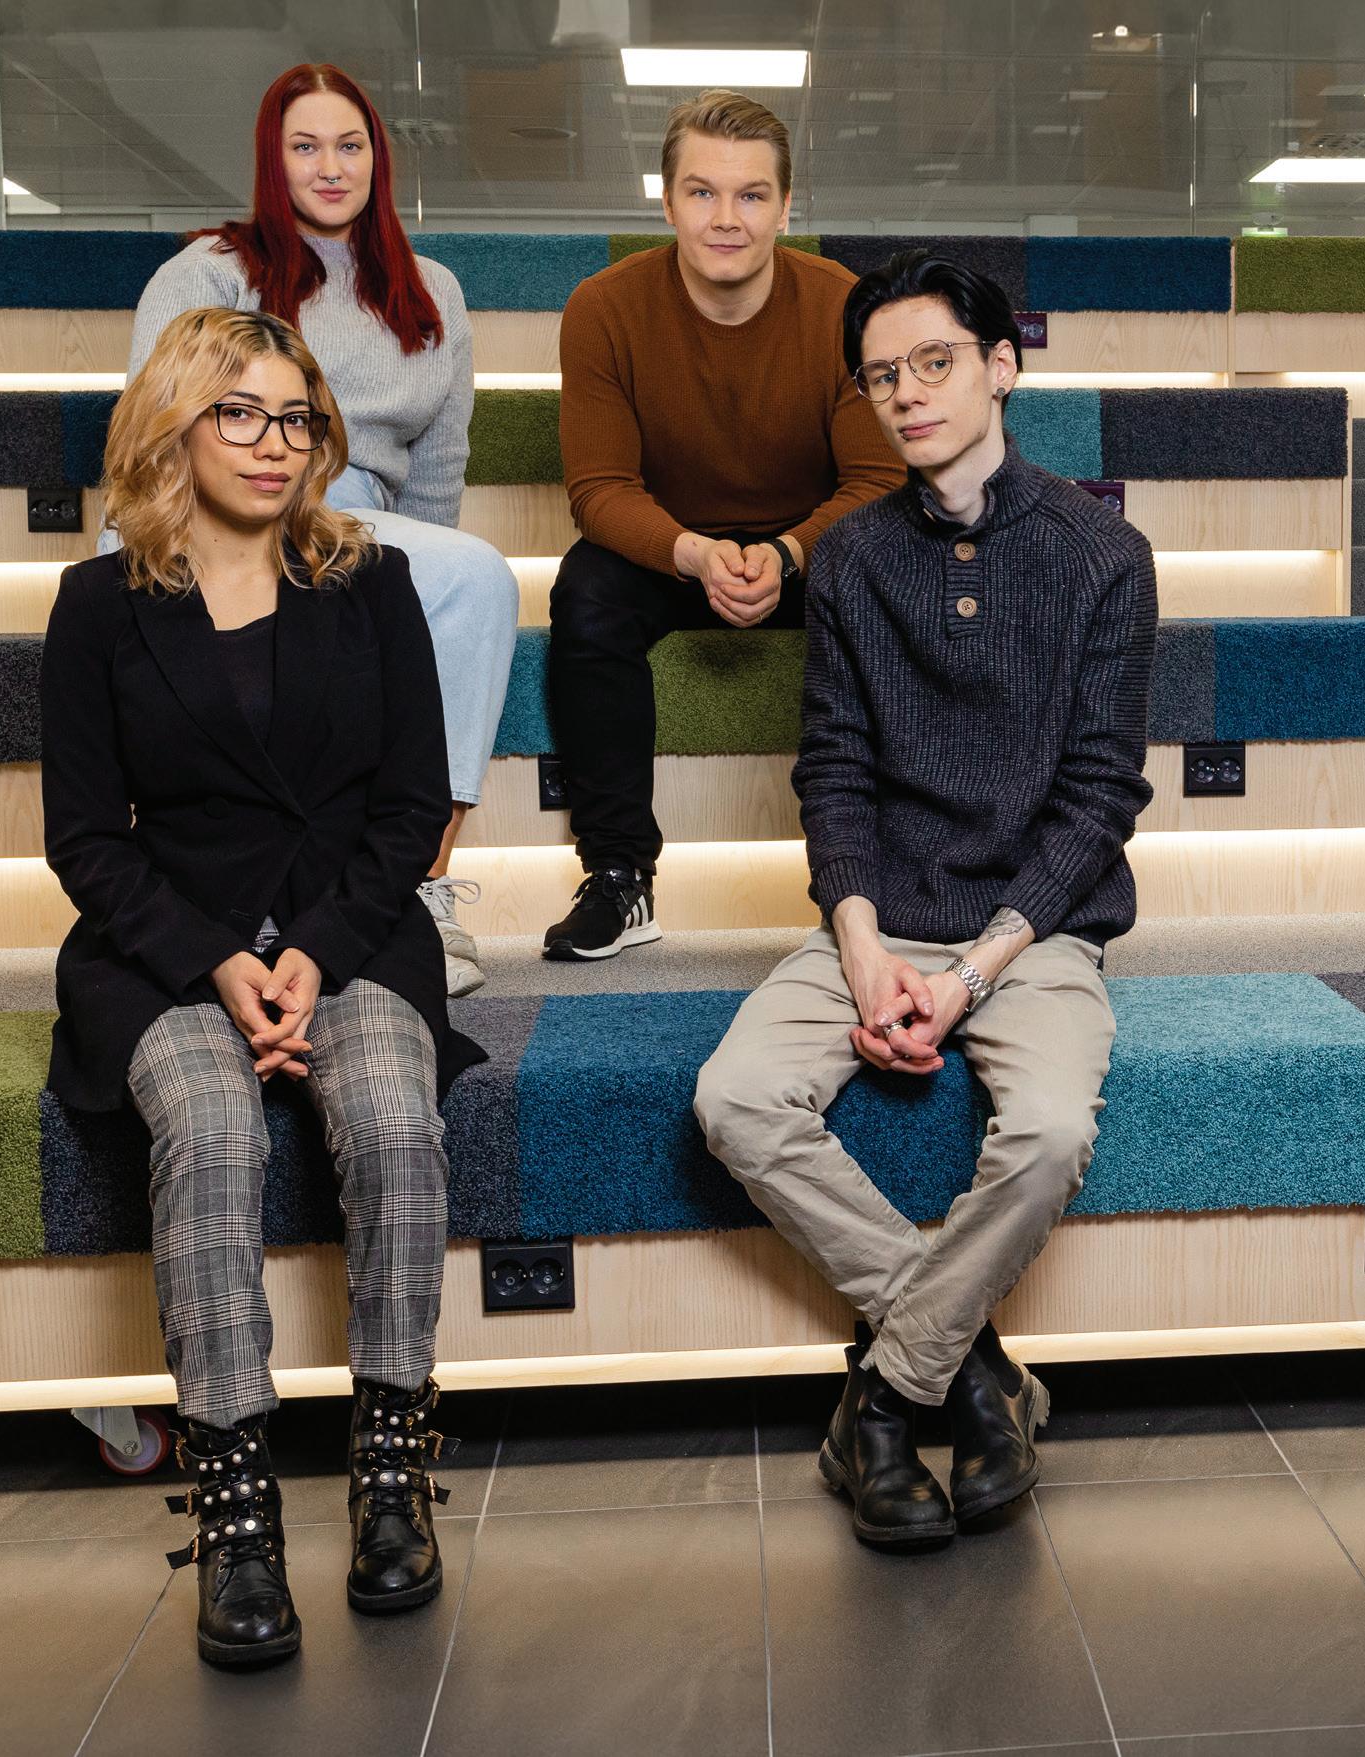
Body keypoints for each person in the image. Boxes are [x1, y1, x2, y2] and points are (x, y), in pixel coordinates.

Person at [695, 252, 1158, 1548]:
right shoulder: (849, 559)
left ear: (1001, 366)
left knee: (1049, 1129)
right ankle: (975, 1373)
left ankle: (888, 1397)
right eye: (881, 375)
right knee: (732, 1097)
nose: (905, 392)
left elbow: (1097, 800)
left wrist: (967, 977)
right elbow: (833, 770)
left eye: (934, 362)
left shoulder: (1101, 554)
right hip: (875, 919)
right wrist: (859, 949)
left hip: (1033, 932)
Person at [43, 306, 484, 1666]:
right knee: (210, 1125)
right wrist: (215, 959)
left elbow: (411, 807)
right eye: (239, 412)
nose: (273, 442)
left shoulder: (371, 581)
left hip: (353, 931)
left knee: (396, 1120)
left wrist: (317, 951)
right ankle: (236, 1506)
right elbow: (84, 840)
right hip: (166, 946)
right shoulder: (97, 605)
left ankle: (391, 1461)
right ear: (174, 424)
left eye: (296, 417)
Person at [117, 62, 517, 996]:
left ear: (380, 157)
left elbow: (440, 465)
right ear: (273, 158)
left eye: (350, 145)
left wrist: (405, 600)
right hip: (232, 505)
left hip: (366, 519)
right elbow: (152, 429)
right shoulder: (209, 272)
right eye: (305, 147)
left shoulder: (433, 289)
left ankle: (420, 882)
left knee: (472, 576)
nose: (330, 167)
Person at [544, 88, 903, 960]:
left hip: (810, 545)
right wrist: (696, 553)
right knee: (585, 589)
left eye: (750, 195)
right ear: (667, 202)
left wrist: (786, 552)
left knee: (899, 570)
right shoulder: (604, 307)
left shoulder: (844, 307)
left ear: (785, 207)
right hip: (669, 545)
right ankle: (619, 873)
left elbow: (877, 479)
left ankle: (876, 873)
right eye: (702, 192)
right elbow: (598, 489)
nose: (726, 218)